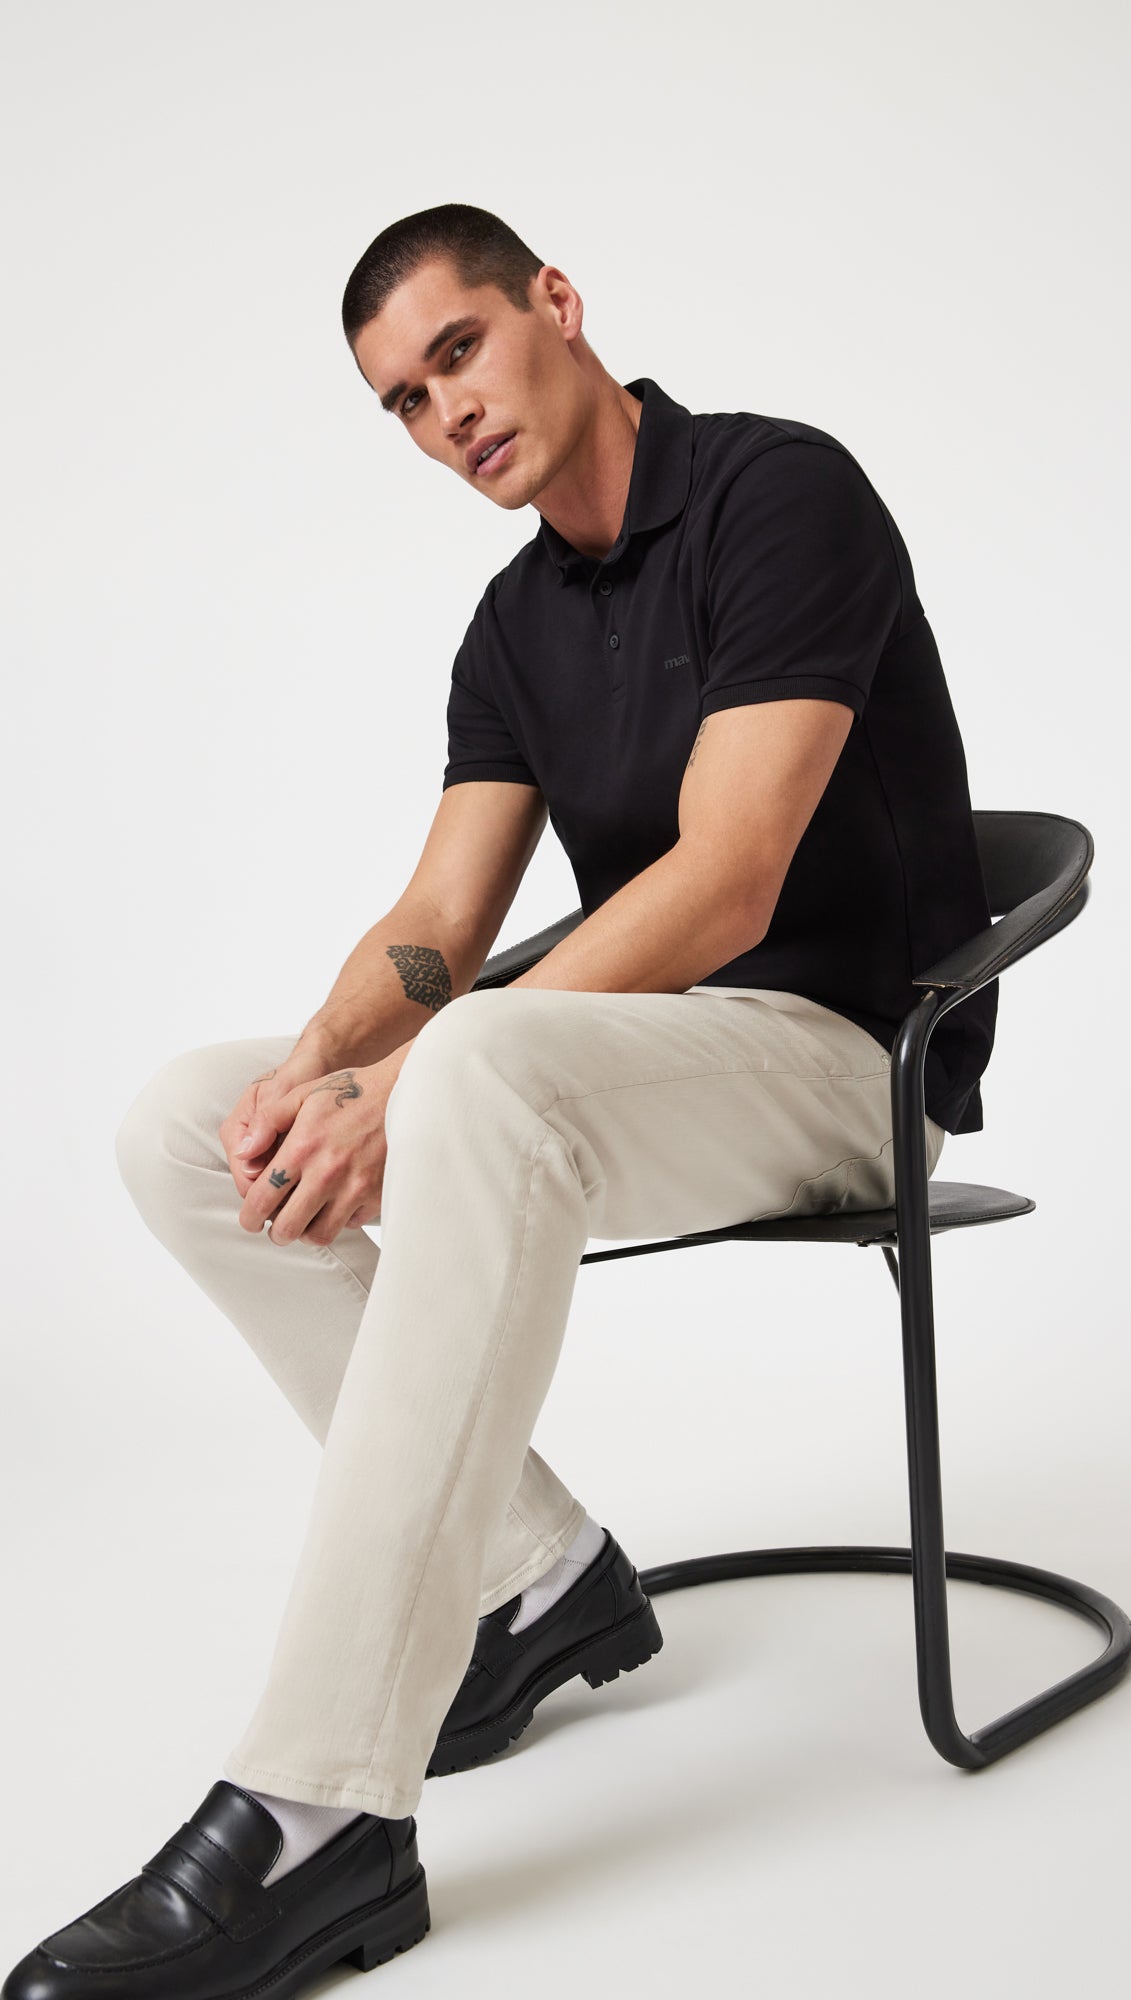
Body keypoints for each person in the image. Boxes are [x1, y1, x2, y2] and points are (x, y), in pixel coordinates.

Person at [3, 202, 997, 1994]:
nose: (444, 413)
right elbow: (440, 926)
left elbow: (728, 884)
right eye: (402, 399)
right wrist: (315, 1073)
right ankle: (533, 1578)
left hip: (852, 1060)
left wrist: (417, 1077)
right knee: (190, 1124)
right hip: (633, 1060)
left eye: (457, 351)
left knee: (472, 1062)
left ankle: (315, 1807)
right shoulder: (514, 622)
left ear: (556, 300)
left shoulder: (780, 495)